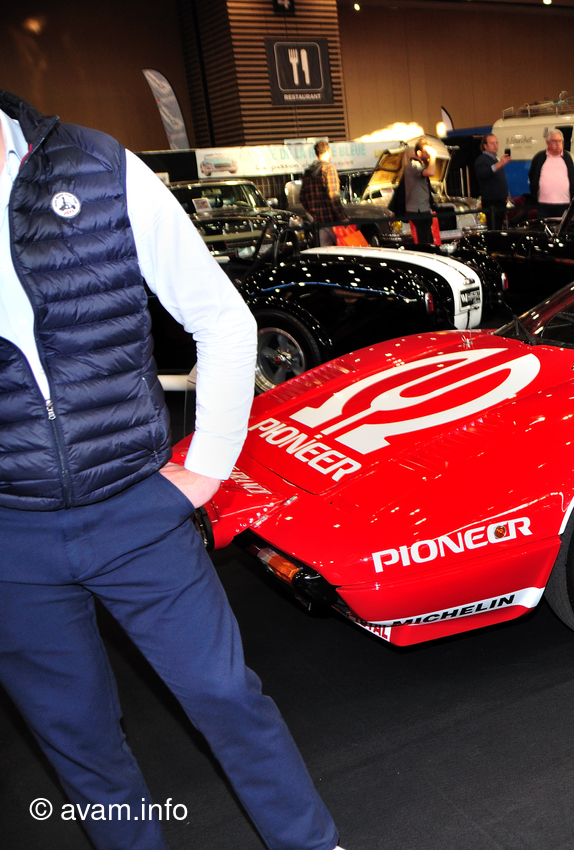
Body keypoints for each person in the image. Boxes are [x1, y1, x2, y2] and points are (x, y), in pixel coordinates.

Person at [0, 91, 342, 850]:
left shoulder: (95, 165)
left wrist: (208, 466)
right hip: (11, 541)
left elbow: (222, 319)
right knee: (77, 739)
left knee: (225, 697)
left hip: (136, 508)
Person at [527, 128, 574, 219]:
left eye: (560, 141)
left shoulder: (571, 158)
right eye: (554, 141)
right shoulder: (539, 158)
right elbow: (532, 176)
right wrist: (534, 194)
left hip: (565, 204)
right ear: (547, 142)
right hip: (543, 205)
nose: (558, 144)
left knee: (563, 227)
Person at [301, 138, 344, 247]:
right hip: (333, 221)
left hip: (319, 222)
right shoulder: (329, 169)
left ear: (316, 154)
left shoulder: (308, 173)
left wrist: (314, 213)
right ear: (328, 151)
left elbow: (302, 198)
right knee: (345, 249)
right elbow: (333, 196)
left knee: (325, 252)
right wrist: (343, 217)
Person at [400, 138, 437, 244]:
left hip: (422, 208)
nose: (428, 154)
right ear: (419, 153)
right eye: (426, 151)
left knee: (427, 238)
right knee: (424, 240)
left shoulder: (419, 165)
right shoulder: (414, 165)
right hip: (418, 209)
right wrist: (433, 156)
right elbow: (430, 172)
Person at [472, 133, 510, 230]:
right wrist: (500, 163)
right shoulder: (481, 160)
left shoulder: (496, 159)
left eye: (496, 143)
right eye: (492, 143)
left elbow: (499, 179)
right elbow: (483, 173)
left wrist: (506, 194)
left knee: (499, 227)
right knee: (494, 228)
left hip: (501, 201)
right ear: (485, 146)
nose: (495, 145)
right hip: (492, 202)